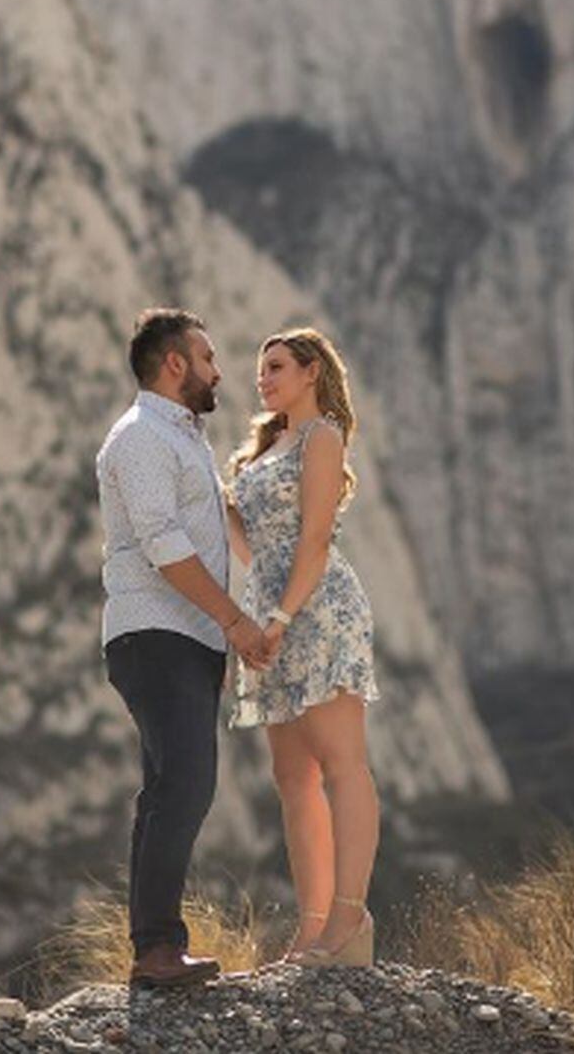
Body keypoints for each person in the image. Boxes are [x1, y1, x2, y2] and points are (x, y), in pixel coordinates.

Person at [96, 308, 271, 988]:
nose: (218, 369)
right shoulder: (141, 437)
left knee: (167, 789)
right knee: (187, 785)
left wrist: (215, 644)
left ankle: (154, 946)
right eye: (207, 355)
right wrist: (233, 623)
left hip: (184, 638)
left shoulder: (183, 436)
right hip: (154, 632)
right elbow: (165, 544)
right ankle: (158, 949)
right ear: (175, 364)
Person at [226, 327, 380, 967]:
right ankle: (312, 926)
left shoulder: (322, 436)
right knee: (293, 778)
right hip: (271, 617)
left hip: (316, 612)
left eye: (277, 366)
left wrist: (282, 618)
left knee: (344, 766)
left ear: (312, 371)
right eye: (261, 370)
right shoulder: (267, 445)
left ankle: (350, 921)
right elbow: (253, 549)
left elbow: (314, 541)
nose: (263, 379)